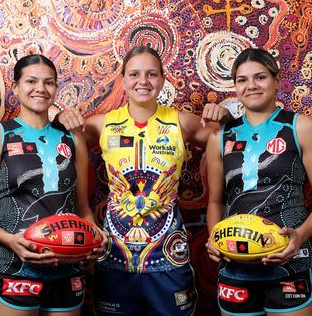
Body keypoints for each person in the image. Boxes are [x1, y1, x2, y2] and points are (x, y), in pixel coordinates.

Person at [56, 45, 232, 315]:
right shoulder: (102, 124)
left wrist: (225, 116)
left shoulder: (182, 122)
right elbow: (58, 138)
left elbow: (228, 138)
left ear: (163, 79)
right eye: (134, 74)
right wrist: (60, 118)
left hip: (168, 254)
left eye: (151, 74)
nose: (143, 81)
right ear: (123, 79)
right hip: (115, 252)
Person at [0, 54, 105, 316]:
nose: (40, 88)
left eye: (49, 82)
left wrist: (95, 236)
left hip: (66, 266)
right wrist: (10, 240)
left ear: (56, 88)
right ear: (16, 87)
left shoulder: (72, 139)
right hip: (13, 264)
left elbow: (82, 208)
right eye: (31, 81)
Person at [205, 48, 312, 315]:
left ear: (276, 81)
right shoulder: (220, 136)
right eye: (242, 80)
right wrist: (214, 238)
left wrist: (299, 236)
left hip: (290, 260)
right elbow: (215, 201)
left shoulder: (301, 127)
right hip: (236, 262)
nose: (251, 86)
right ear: (235, 87)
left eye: (260, 77)